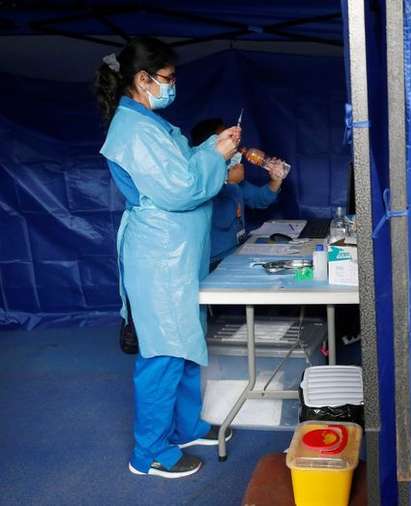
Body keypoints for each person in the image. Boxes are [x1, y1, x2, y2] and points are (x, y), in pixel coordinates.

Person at [96, 37, 238, 478]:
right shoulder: (132, 130)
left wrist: (209, 148)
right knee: (162, 352)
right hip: (159, 258)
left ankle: (186, 426)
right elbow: (180, 189)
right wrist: (216, 154)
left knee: (186, 343)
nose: (173, 86)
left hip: (175, 256)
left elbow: (180, 167)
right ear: (142, 79)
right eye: (168, 78)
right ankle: (150, 452)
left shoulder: (150, 124)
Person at [190, 118, 286, 268]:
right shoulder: (198, 183)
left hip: (237, 252)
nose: (234, 146)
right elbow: (214, 217)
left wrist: (275, 181)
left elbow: (259, 199)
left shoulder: (235, 179)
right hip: (212, 261)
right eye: (227, 141)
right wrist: (226, 180)